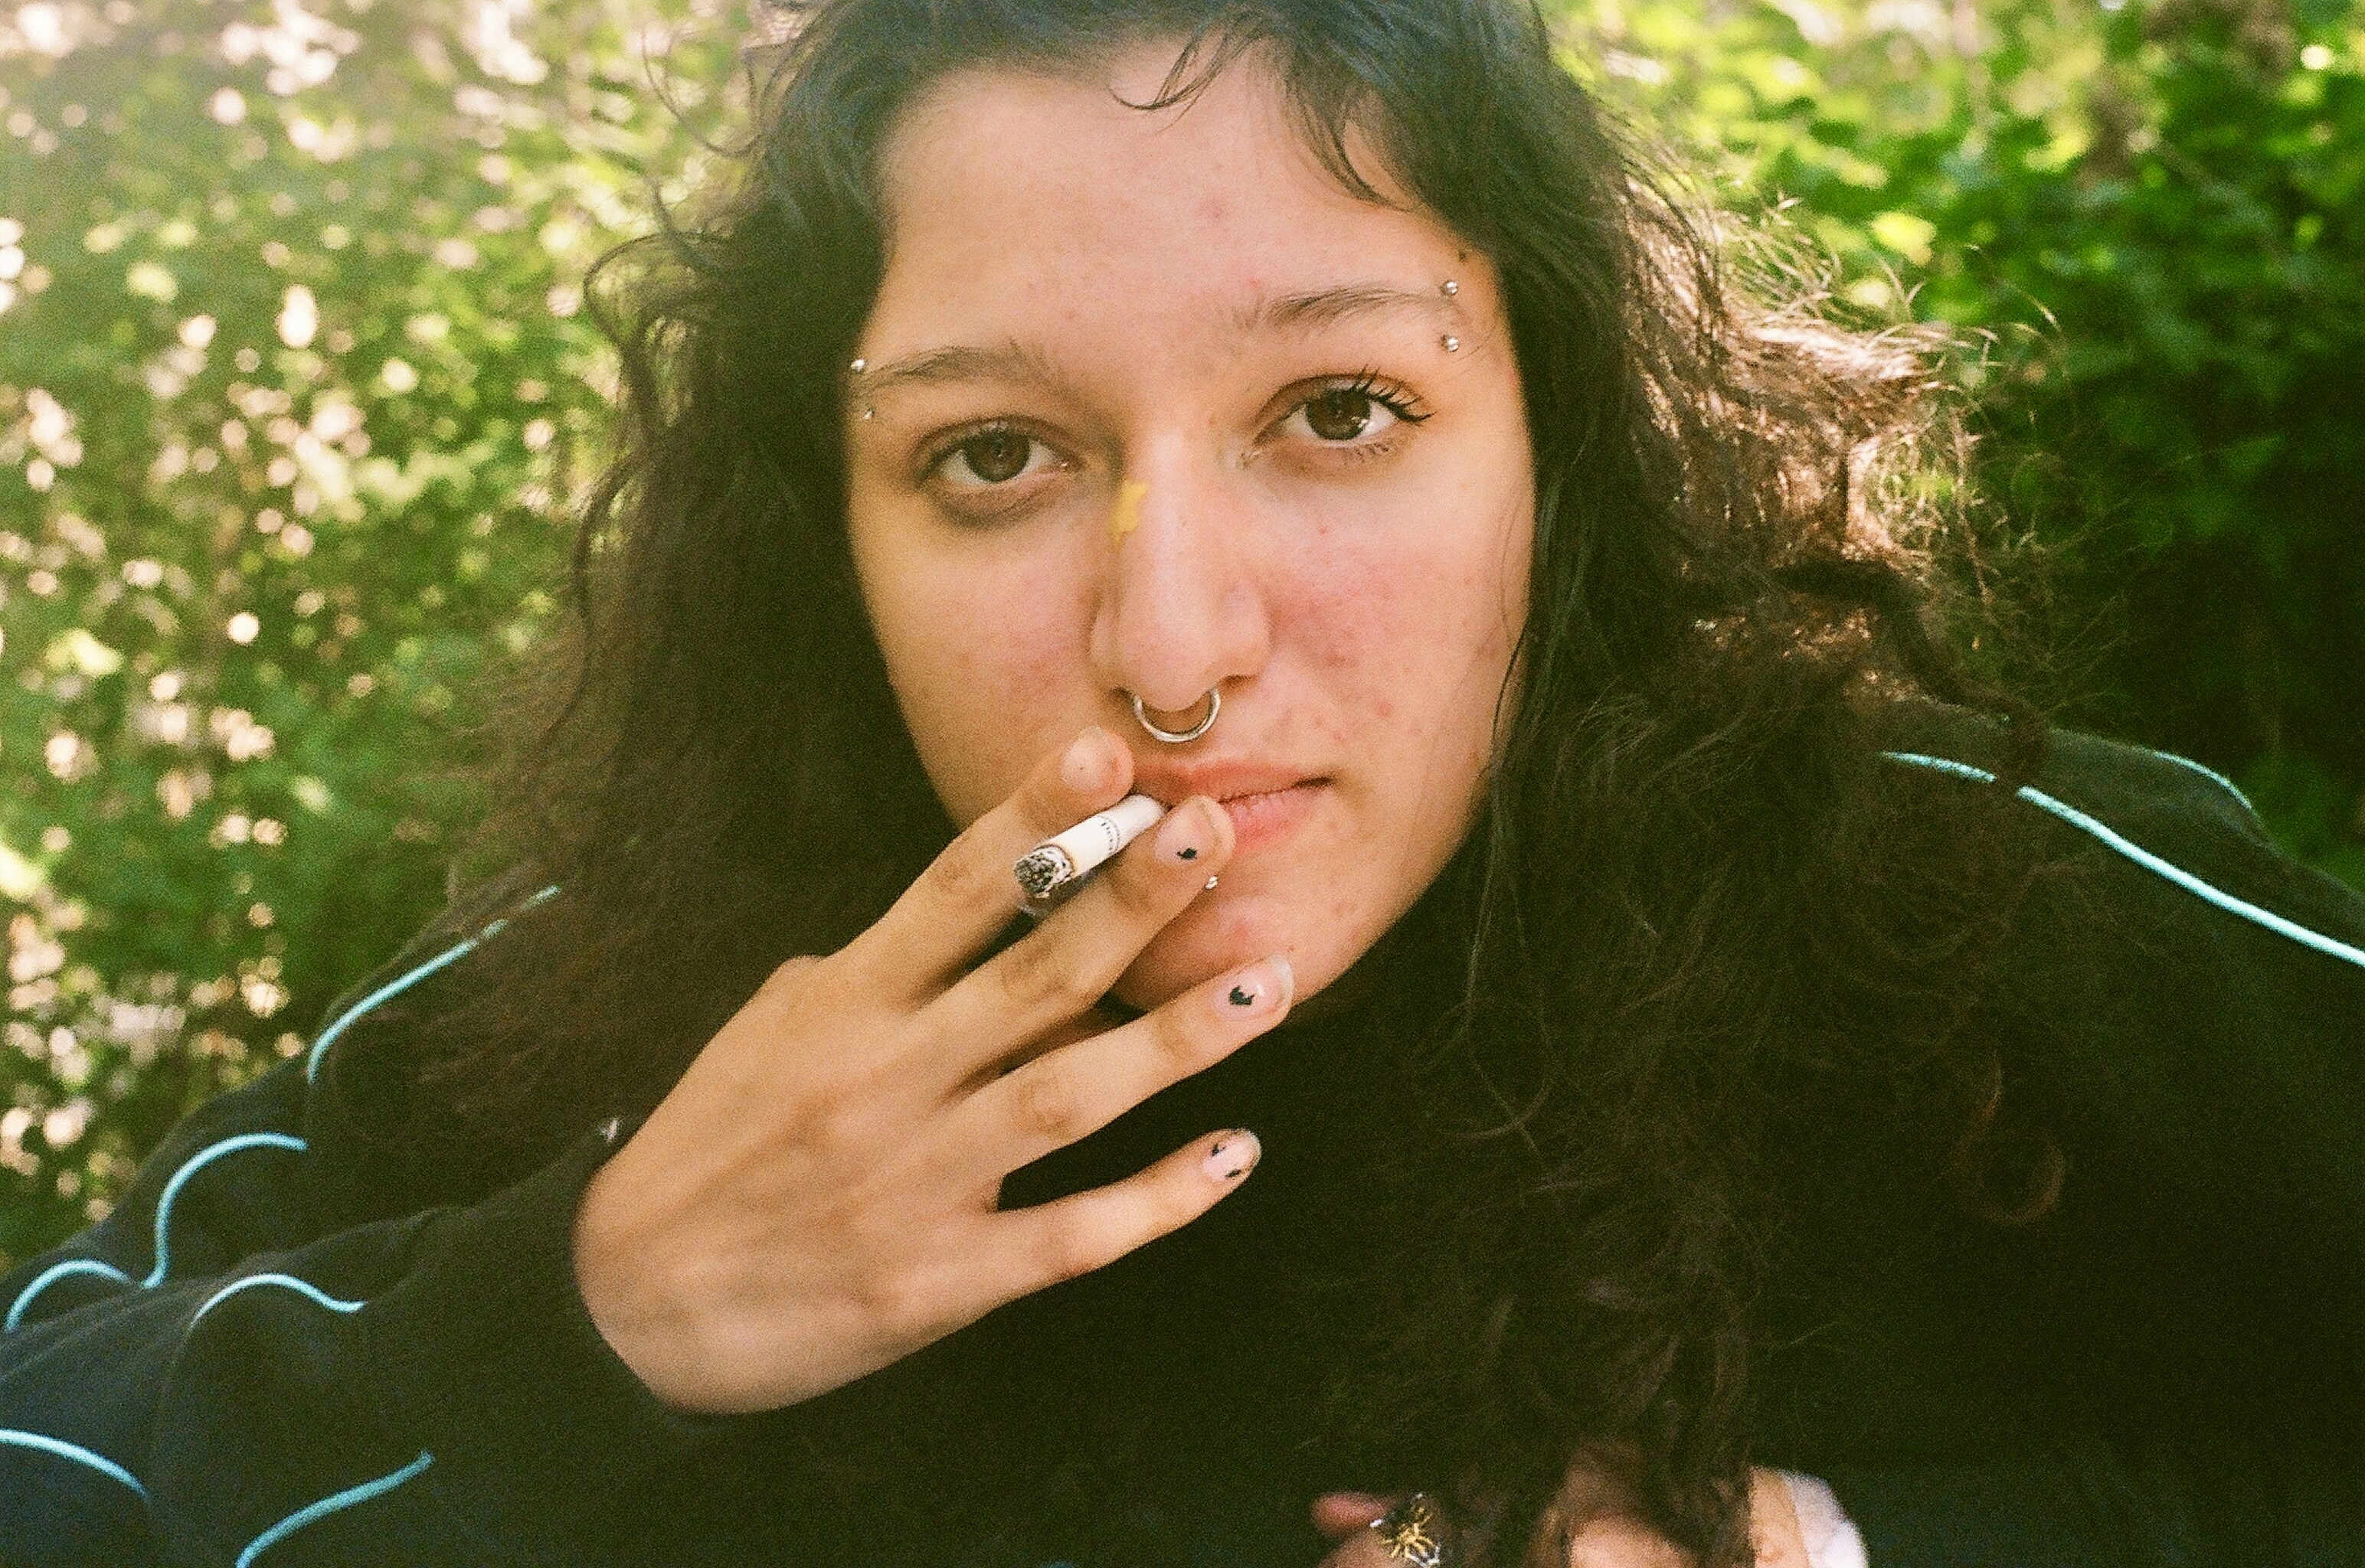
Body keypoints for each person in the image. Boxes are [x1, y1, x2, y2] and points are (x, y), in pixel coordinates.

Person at [3, 0, 2359, 1563]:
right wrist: (588, 1310)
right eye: (993, 455)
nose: (1168, 643)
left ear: (1564, 451)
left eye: (1339, 412)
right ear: (824, 532)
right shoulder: (655, 996)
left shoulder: (1965, 911)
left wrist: (1860, 1547)